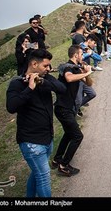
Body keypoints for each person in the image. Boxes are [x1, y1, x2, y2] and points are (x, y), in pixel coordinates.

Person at [6, 49, 66, 197]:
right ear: (34, 63)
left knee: (37, 173)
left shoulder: (46, 78)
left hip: (47, 138)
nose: (48, 69)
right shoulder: (17, 84)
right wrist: (30, 88)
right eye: (45, 66)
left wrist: (43, 81)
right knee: (43, 177)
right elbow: (11, 107)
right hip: (32, 142)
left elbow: (62, 89)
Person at [53, 45, 93, 176]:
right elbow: (69, 78)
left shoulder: (76, 68)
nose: (83, 56)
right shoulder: (67, 67)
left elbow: (89, 84)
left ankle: (56, 160)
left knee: (68, 134)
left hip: (66, 108)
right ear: (76, 55)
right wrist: (86, 72)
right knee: (77, 136)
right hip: (63, 108)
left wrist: (86, 72)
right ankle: (64, 165)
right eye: (81, 54)